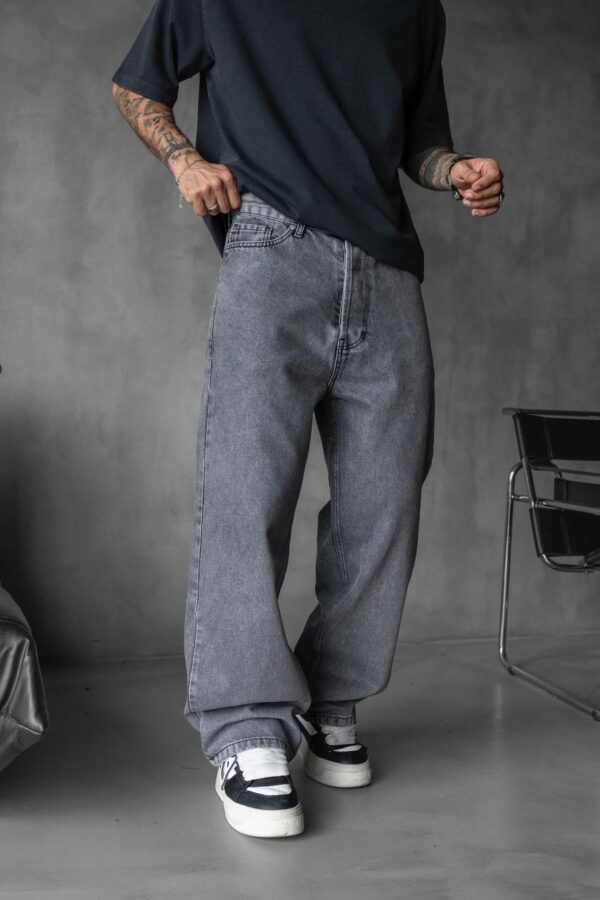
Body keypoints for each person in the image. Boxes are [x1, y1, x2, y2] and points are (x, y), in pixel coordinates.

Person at [111, 0, 504, 839]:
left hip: (389, 270)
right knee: (247, 492)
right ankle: (247, 727)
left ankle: (332, 699)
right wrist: (185, 159)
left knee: (384, 503)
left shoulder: (416, 9)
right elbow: (136, 84)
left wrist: (458, 170)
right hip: (273, 246)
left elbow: (420, 144)